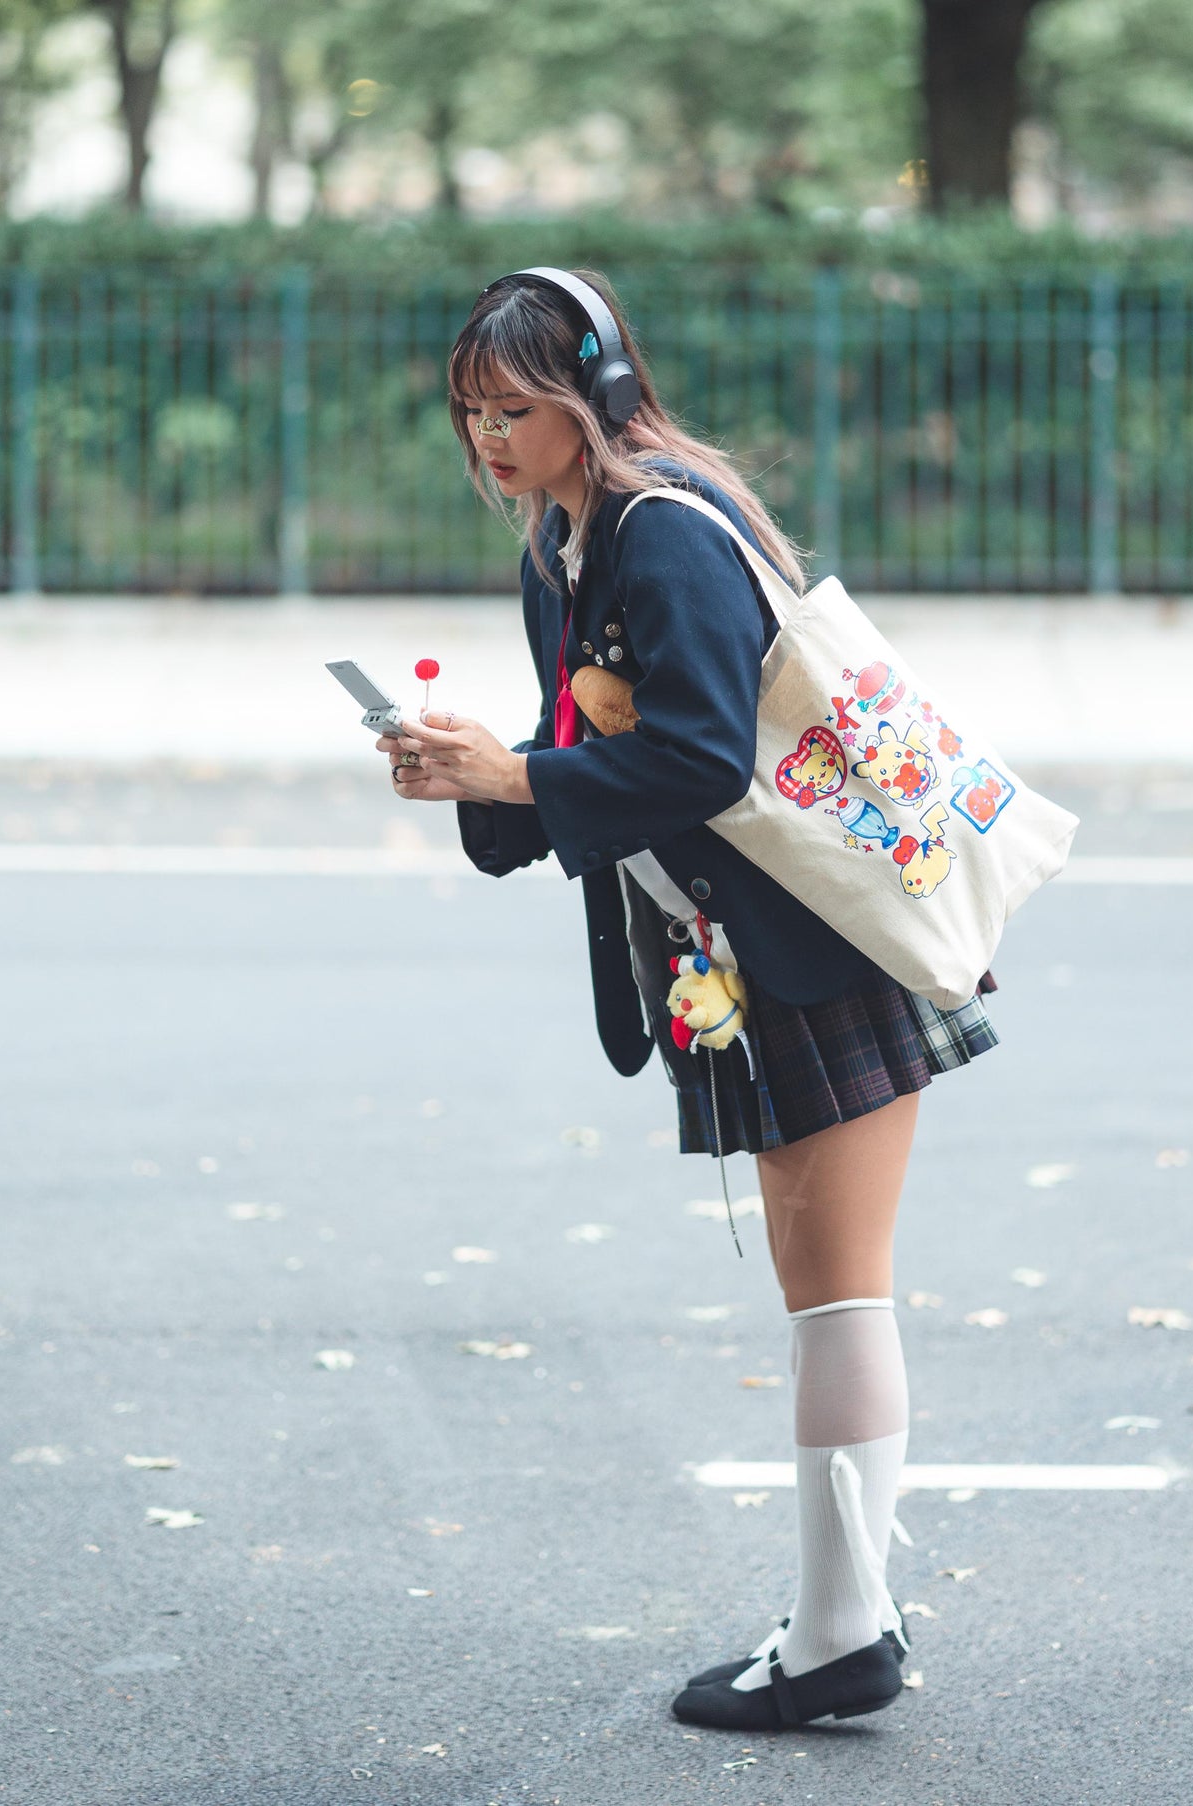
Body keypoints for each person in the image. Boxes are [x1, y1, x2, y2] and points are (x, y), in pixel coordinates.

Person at [376, 266, 1000, 1732]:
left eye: (513, 409)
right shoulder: (562, 541)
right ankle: (843, 1613)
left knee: (836, 1281)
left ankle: (841, 1635)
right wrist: (477, 778)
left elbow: (705, 759)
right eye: (471, 413)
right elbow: (577, 752)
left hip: (814, 942)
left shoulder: (659, 532)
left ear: (594, 394)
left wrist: (518, 773)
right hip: (729, 950)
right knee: (814, 1278)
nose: (489, 439)